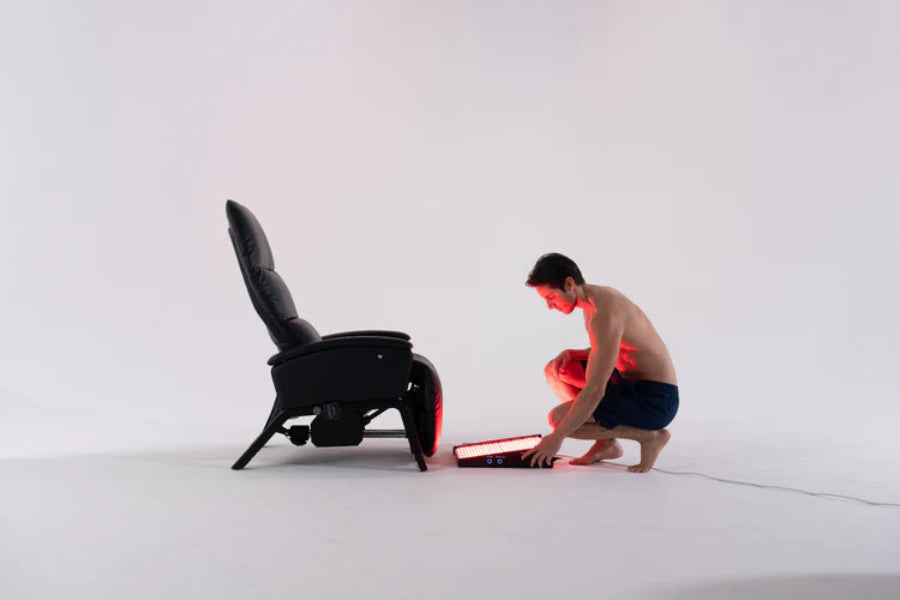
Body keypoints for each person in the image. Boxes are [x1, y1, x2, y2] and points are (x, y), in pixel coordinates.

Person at [521, 253, 679, 472]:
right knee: (556, 370)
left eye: (551, 298)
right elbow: (612, 349)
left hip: (655, 399)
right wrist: (574, 353)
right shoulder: (593, 301)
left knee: (558, 420)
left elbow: (595, 390)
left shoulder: (605, 313)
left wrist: (556, 438)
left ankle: (651, 437)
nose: (550, 306)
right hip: (627, 383)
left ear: (569, 283)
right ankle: (607, 442)